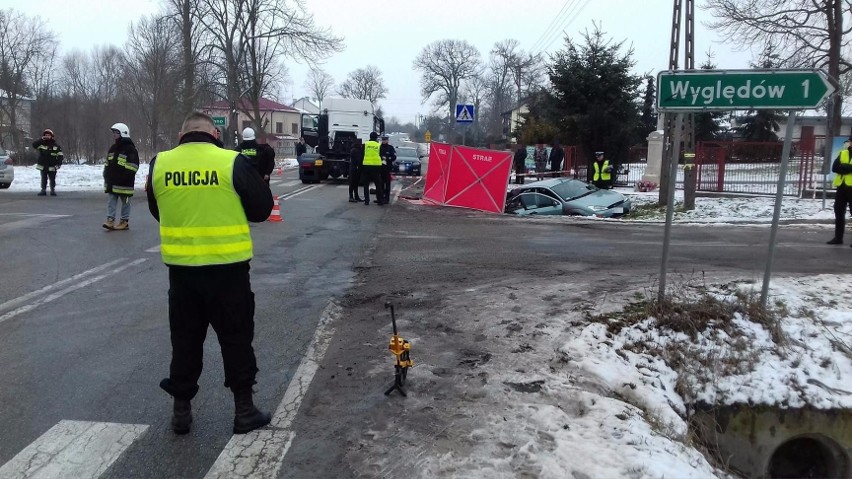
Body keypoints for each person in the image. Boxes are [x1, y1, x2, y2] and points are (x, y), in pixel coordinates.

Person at [145, 112, 273, 435]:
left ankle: (181, 412)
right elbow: (262, 208)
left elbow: (156, 209)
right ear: (214, 135)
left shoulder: (160, 163)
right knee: (236, 339)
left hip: (182, 275)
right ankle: (244, 409)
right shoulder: (231, 162)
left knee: (185, 341)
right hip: (228, 272)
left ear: (181, 136)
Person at [102, 123, 140, 230]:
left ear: (123, 133)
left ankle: (124, 221)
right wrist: (106, 176)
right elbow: (107, 164)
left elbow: (133, 166)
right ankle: (110, 220)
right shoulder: (113, 148)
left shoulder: (130, 149)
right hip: (113, 183)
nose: (114, 135)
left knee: (126, 202)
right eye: (113, 132)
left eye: (116, 132)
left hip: (125, 183)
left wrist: (123, 178)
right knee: (111, 201)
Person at [827, 137, 852, 245]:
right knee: (839, 211)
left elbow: (841, 167)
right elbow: (835, 168)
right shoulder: (843, 153)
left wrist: (845, 167)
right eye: (851, 141)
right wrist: (849, 168)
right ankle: (838, 238)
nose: (850, 143)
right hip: (841, 186)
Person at [33, 128, 64, 196]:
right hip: (43, 165)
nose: (47, 136)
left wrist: (58, 164)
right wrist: (41, 139)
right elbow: (34, 145)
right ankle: (43, 190)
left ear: (51, 136)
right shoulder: (41, 144)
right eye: (46, 135)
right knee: (43, 178)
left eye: (48, 135)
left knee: (52, 179)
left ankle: (52, 190)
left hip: (52, 166)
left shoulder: (56, 146)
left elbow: (60, 156)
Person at [361, 131, 384, 205]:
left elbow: (362, 155)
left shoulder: (365, 144)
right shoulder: (378, 145)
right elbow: (381, 156)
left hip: (366, 166)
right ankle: (380, 200)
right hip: (376, 167)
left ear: (370, 137)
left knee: (366, 184)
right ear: (376, 138)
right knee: (378, 184)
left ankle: (366, 201)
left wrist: (361, 166)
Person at [379, 134, 396, 203]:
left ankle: (387, 198)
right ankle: (381, 197)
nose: (384, 141)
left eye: (385, 140)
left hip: (388, 168)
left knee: (387, 184)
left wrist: (388, 158)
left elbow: (394, 157)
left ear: (387, 140)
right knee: (381, 184)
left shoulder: (390, 148)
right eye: (383, 140)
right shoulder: (379, 147)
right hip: (381, 168)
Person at [348, 138, 363, 203]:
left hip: (354, 168)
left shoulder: (355, 150)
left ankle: (356, 196)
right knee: (352, 183)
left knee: (355, 183)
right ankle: (351, 197)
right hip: (354, 169)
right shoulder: (355, 150)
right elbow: (358, 160)